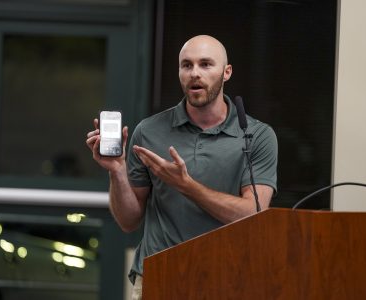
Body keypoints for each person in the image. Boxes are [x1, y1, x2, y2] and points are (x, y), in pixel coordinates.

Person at [86, 35, 277, 299]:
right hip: (158, 277)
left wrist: (186, 186)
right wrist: (116, 171)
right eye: (186, 65)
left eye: (206, 64)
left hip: (228, 279)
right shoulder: (149, 131)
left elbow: (252, 214)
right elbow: (128, 221)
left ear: (227, 72)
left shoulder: (256, 135)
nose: (194, 73)